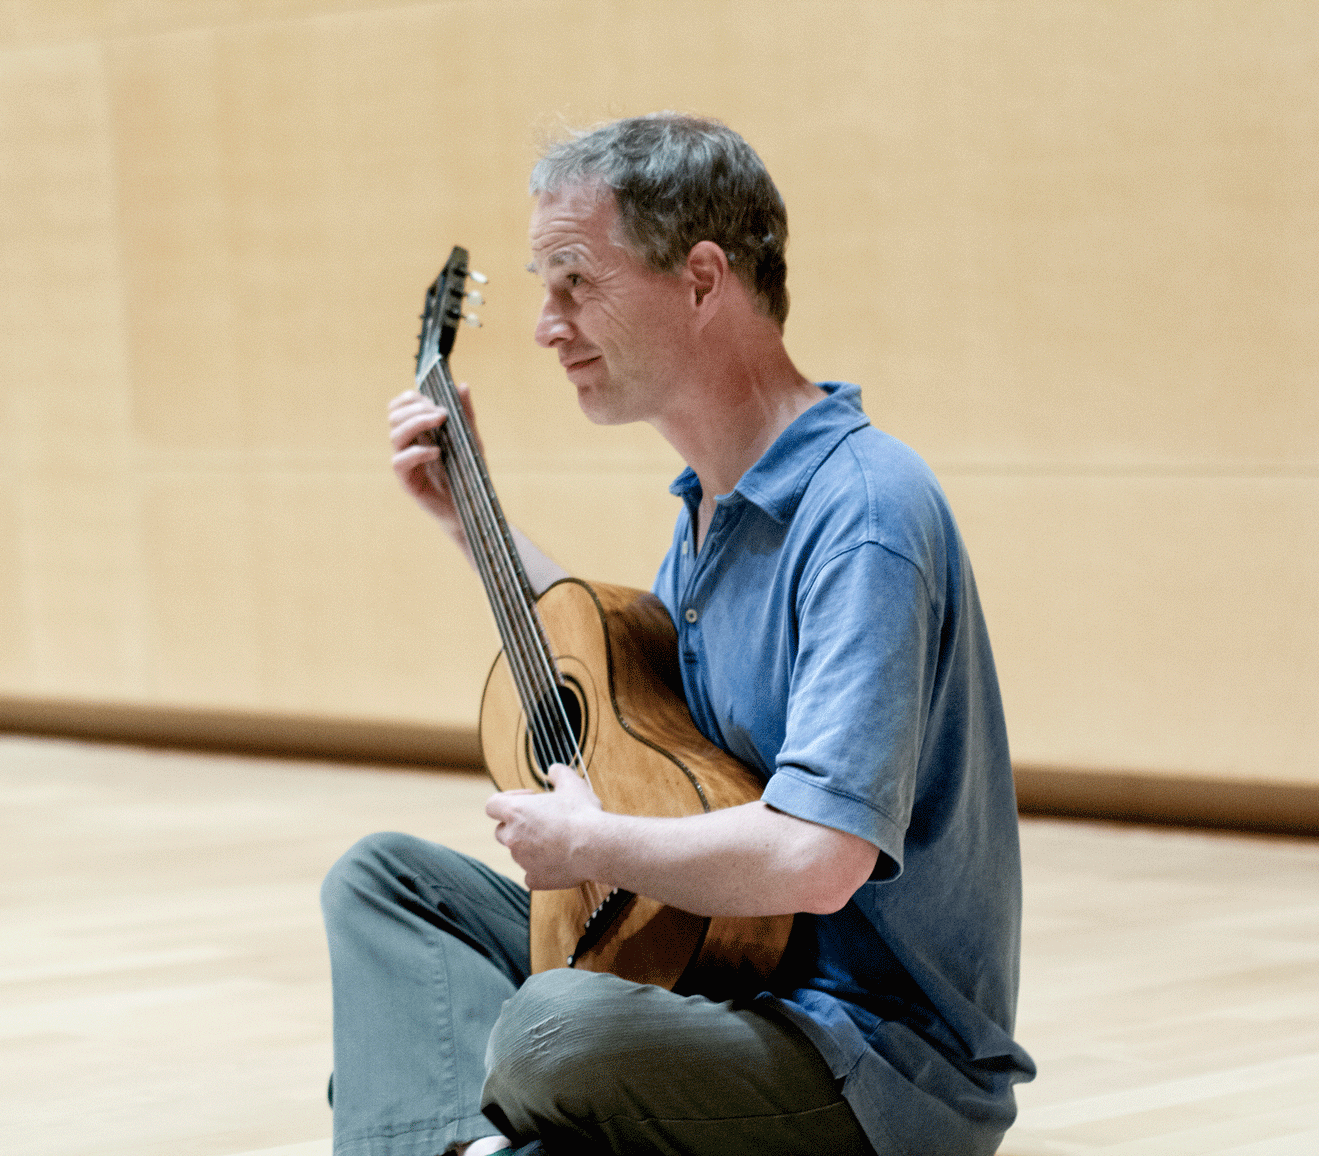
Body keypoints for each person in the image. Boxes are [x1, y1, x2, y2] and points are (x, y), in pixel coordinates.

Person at [323, 112, 1036, 1156]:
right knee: (386, 884)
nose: (544, 324)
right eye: (537, 285)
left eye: (574, 279)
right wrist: (467, 518)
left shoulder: (863, 510)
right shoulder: (709, 506)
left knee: (545, 1026)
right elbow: (626, 675)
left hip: (870, 1067)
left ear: (702, 280)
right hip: (713, 977)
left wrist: (592, 845)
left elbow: (815, 856)